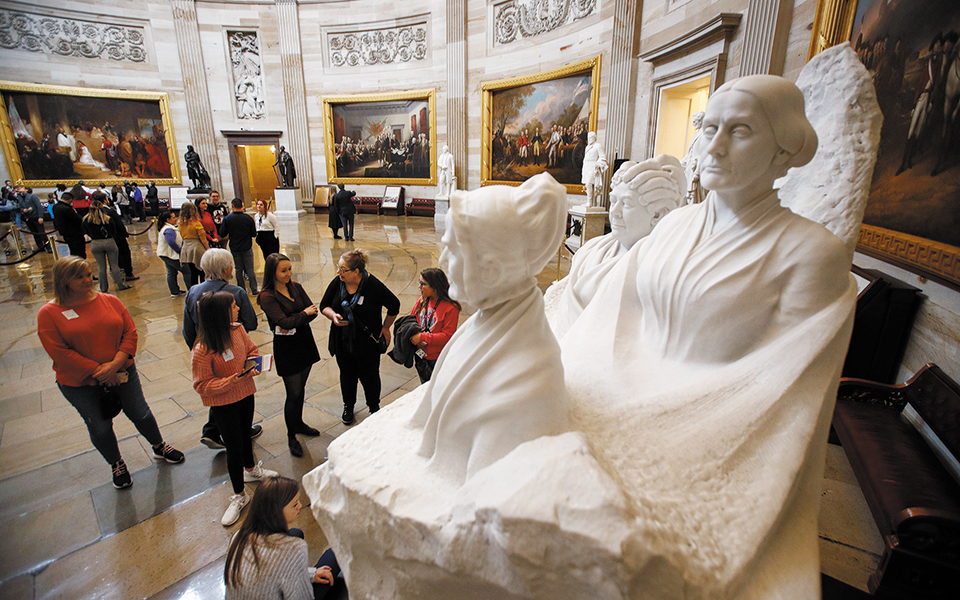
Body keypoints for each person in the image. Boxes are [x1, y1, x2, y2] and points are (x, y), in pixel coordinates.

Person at [37, 257, 184, 489]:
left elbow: (130, 332)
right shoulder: (50, 313)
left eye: (88, 274)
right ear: (64, 280)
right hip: (81, 382)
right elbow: (59, 352)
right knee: (100, 425)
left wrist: (115, 364)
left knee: (141, 413)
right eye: (80, 276)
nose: (88, 280)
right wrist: (98, 371)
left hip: (122, 370)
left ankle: (159, 445)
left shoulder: (109, 301)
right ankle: (116, 463)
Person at [192, 291, 277, 526]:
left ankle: (250, 470)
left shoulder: (237, 329)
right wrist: (230, 382)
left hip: (245, 394)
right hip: (223, 403)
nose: (238, 308)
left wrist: (254, 363)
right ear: (221, 313)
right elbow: (201, 385)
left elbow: (251, 349)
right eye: (233, 306)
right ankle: (239, 495)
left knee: (245, 435)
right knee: (233, 446)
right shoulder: (202, 348)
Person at [183, 248, 262, 449]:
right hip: (232, 350)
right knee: (235, 390)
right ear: (227, 269)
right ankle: (236, 433)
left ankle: (213, 429)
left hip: (204, 349)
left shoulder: (193, 291)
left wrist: (199, 349)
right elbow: (251, 323)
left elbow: (188, 330)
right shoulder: (235, 292)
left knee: (219, 388)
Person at [224, 476, 346, 600]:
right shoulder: (294, 549)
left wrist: (310, 574)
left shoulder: (239, 535)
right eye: (294, 504)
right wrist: (308, 575)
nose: (300, 506)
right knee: (335, 554)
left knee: (295, 532)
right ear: (277, 511)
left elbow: (271, 571)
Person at [319, 249, 400, 425]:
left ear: (356, 271)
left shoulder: (372, 285)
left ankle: (374, 407)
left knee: (370, 377)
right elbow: (323, 305)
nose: (338, 272)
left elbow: (394, 305)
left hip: (366, 344)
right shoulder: (338, 282)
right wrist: (333, 315)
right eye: (338, 268)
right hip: (342, 341)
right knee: (346, 375)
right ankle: (348, 406)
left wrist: (386, 327)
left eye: (343, 269)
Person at [258, 253, 321, 457]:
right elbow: (283, 322)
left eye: (289, 269)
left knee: (301, 389)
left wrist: (298, 318)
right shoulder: (267, 296)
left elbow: (313, 312)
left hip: (304, 342)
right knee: (292, 393)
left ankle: (299, 423)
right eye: (283, 270)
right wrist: (302, 315)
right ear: (272, 273)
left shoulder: (297, 287)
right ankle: (291, 436)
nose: (288, 274)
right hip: (287, 348)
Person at [409, 268, 461, 383]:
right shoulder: (421, 301)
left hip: (438, 359)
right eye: (419, 282)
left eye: (423, 284)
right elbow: (411, 321)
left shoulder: (451, 307)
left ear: (434, 287)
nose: (419, 286)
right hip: (421, 356)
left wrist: (422, 337)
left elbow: (448, 336)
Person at [82, 198, 130, 292]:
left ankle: (103, 288)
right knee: (114, 266)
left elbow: (85, 231)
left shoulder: (86, 219)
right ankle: (120, 285)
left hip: (96, 243)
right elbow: (113, 230)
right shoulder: (107, 218)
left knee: (101, 267)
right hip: (109, 241)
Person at [219, 198, 258, 294]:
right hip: (247, 246)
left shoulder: (227, 219)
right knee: (250, 268)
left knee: (238, 268)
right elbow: (253, 233)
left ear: (232, 206)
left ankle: (242, 289)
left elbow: (222, 233)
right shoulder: (248, 218)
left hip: (235, 246)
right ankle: (254, 289)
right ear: (242, 206)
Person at [156, 210, 190, 297]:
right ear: (168, 219)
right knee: (186, 271)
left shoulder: (166, 227)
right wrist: (179, 251)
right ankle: (191, 291)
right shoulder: (169, 229)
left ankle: (174, 291)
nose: (176, 218)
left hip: (164, 253)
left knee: (171, 272)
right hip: (171, 255)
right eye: (173, 217)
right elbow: (171, 242)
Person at [178, 201, 209, 287]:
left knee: (193, 273)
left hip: (186, 248)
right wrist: (208, 249)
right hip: (197, 248)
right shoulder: (196, 224)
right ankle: (204, 289)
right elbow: (203, 240)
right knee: (203, 272)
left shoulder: (180, 224)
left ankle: (193, 290)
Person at [52, 192, 87, 258]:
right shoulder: (67, 209)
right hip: (75, 233)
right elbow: (78, 219)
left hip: (65, 233)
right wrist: (76, 213)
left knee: (73, 251)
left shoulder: (55, 206)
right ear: (70, 199)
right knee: (80, 252)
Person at [17, 185, 49, 252]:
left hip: (36, 217)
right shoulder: (19, 198)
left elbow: (39, 206)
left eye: (21, 188)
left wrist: (40, 216)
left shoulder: (32, 196)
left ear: (26, 190)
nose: (19, 189)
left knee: (42, 233)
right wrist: (23, 211)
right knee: (35, 233)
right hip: (28, 218)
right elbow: (20, 207)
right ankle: (40, 247)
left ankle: (48, 247)